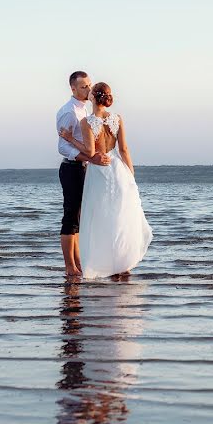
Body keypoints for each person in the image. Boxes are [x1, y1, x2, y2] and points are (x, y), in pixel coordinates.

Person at [60, 82, 152, 278]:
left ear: (93, 97)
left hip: (99, 172)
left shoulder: (87, 121)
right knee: (119, 216)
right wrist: (131, 175)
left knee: (99, 217)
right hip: (119, 169)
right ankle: (122, 263)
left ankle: (101, 262)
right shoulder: (117, 119)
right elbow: (124, 149)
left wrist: (70, 138)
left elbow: (90, 152)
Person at [56, 71, 110, 276]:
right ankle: (69, 266)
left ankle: (77, 263)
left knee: (79, 217)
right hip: (71, 169)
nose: (89, 89)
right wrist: (90, 157)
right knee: (70, 217)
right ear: (73, 88)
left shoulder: (85, 110)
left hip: (84, 169)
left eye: (89, 85)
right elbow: (63, 147)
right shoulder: (69, 112)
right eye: (83, 86)